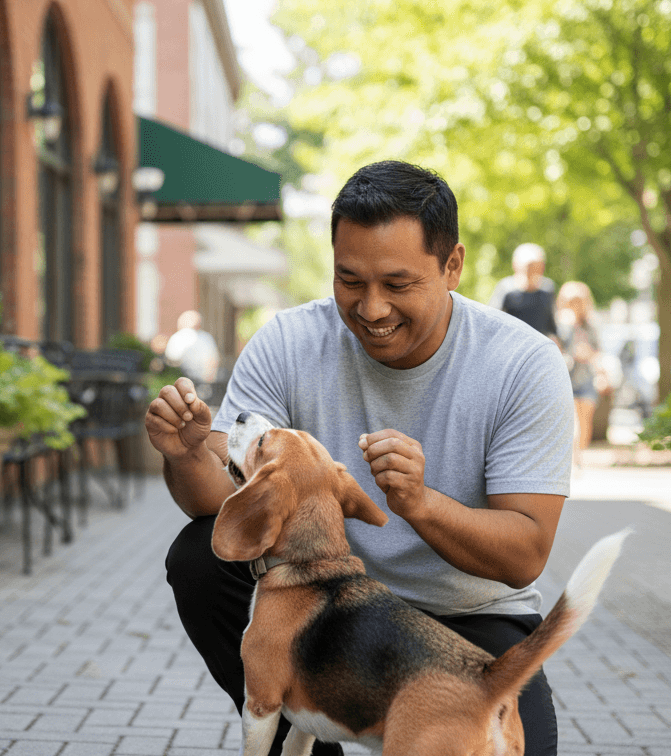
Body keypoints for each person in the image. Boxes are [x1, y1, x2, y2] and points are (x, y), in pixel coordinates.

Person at [146, 160, 574, 756]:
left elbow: (525, 554)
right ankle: (307, 730)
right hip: (330, 611)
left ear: (452, 267)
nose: (371, 310)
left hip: (470, 623)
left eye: (398, 285)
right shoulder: (289, 341)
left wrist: (422, 505)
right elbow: (222, 504)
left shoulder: (523, 364)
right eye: (350, 280)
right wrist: (188, 453)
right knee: (197, 555)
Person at [556, 281, 605, 466]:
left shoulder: (591, 325)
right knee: (570, 422)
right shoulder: (560, 324)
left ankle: (579, 455)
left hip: (586, 378)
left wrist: (590, 355)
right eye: (571, 301)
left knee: (585, 424)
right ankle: (572, 460)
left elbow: (599, 351)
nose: (575, 305)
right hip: (566, 377)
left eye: (578, 301)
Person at [488, 242, 558, 340]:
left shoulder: (547, 289)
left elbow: (552, 323)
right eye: (528, 267)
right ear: (516, 266)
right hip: (512, 343)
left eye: (536, 266)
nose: (532, 270)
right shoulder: (506, 289)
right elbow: (493, 321)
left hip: (540, 345)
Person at [163, 309, 221, 386]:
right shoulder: (205, 337)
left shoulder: (177, 337)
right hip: (202, 382)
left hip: (181, 381)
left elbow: (171, 359)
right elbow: (212, 360)